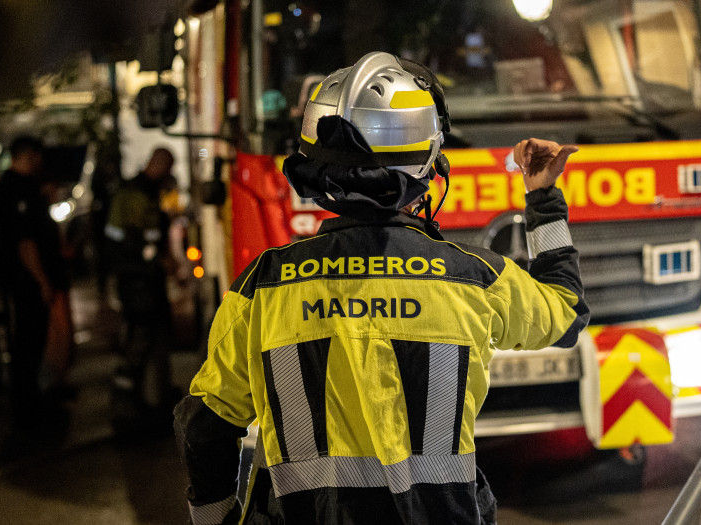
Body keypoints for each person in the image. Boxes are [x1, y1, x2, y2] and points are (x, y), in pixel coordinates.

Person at [174, 52, 588, 524]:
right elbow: (567, 310)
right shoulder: (473, 279)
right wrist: (542, 198)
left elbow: (203, 431)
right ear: (429, 166)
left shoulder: (263, 287)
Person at [0, 136, 69, 431]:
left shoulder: (22, 187)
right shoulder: (15, 188)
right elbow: (25, 242)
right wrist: (42, 281)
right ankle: (27, 410)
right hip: (26, 281)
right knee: (28, 344)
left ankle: (31, 404)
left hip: (28, 279)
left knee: (32, 344)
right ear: (30, 156)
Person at [105, 147, 177, 435]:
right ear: (158, 164)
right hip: (137, 279)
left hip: (145, 278)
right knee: (139, 339)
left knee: (153, 336)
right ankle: (126, 406)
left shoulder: (143, 190)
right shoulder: (135, 193)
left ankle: (149, 402)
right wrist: (160, 259)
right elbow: (136, 239)